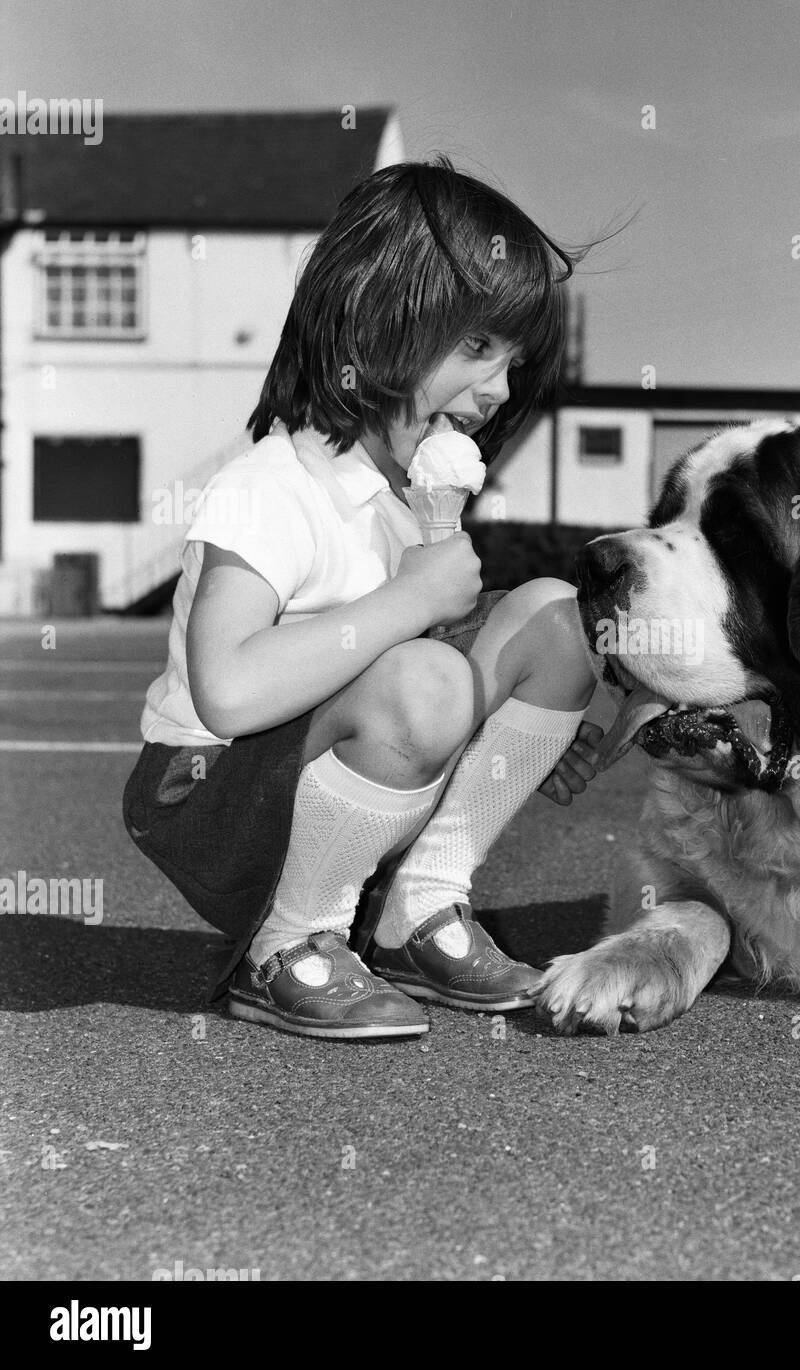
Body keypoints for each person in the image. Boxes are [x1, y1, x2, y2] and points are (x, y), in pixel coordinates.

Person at [123, 158, 604, 1040]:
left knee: (552, 616)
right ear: (379, 322)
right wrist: (411, 601)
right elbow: (228, 689)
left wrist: (519, 733)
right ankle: (288, 941)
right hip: (204, 790)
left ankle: (415, 912)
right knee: (420, 677)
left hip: (307, 772)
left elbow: (434, 656)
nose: (498, 392)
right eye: (476, 349)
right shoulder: (271, 485)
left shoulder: (402, 497)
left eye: (513, 361)